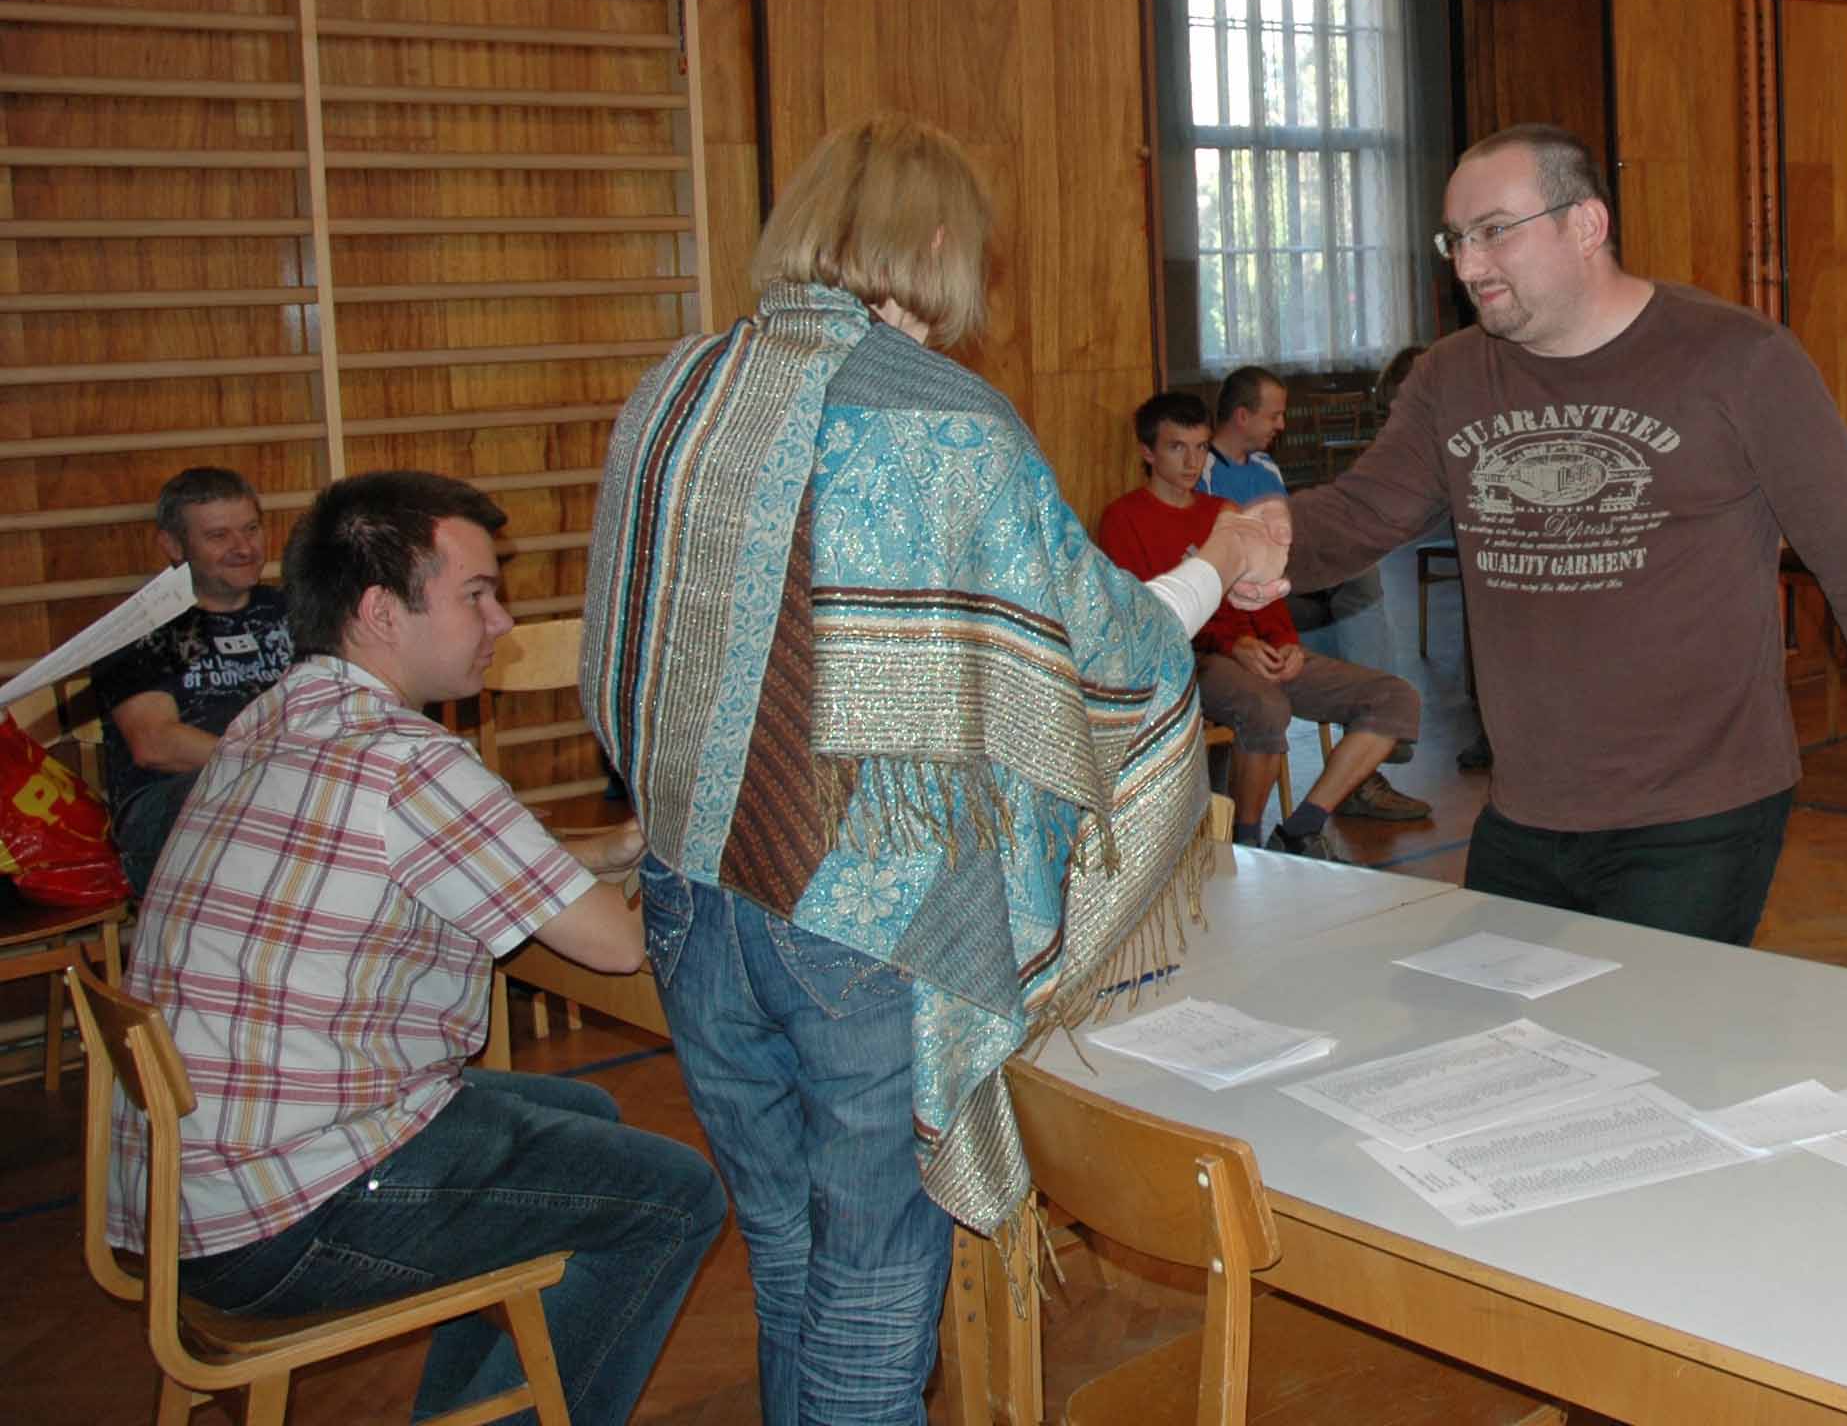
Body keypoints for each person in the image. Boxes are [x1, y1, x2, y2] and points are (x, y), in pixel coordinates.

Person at [580, 116, 1287, 1426]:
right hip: (864, 923)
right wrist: (1218, 566)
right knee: (870, 1284)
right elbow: (1090, 655)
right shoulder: (947, 421)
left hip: (690, 892)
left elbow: (630, 647)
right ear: (946, 241)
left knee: (785, 1251)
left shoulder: (679, 386)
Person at [1247, 123, 1847, 945]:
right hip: (1526, 807)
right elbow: (1365, 512)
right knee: (1490, 1023)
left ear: (1585, 224)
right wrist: (1265, 537)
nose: (1468, 265)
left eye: (1494, 231)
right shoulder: (1453, 375)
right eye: (1456, 239)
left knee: (1652, 1028)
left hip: (1699, 812)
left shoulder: (1739, 358)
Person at [115, 470, 720, 1426]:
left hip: (180, 1196)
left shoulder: (278, 716)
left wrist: (598, 850)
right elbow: (618, 945)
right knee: (675, 1197)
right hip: (278, 1220)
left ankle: (468, 1407)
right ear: (379, 613)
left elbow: (438, 847)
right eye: (477, 594)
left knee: (585, 1114)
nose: (501, 622)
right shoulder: (410, 760)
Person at [1097, 390, 1429, 848]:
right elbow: (1150, 617)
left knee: (1395, 698)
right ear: (1148, 453)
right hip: (1195, 658)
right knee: (1267, 708)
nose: (1192, 462)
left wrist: (1286, 641)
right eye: (1177, 448)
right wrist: (1231, 645)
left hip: (1261, 651)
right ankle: (1246, 842)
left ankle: (1301, 828)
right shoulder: (1123, 518)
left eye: (1200, 447)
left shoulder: (1224, 512)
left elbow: (1268, 592)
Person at [89, 467, 299, 898]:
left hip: (289, 793)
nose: (243, 548)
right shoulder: (137, 629)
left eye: (251, 529)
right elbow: (156, 745)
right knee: (249, 800)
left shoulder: (298, 613)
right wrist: (278, 766)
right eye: (218, 536)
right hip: (169, 808)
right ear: (172, 546)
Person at [1202, 365, 1292, 504]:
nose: (1281, 426)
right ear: (1243, 416)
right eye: (1274, 417)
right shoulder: (1200, 473)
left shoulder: (1267, 466)